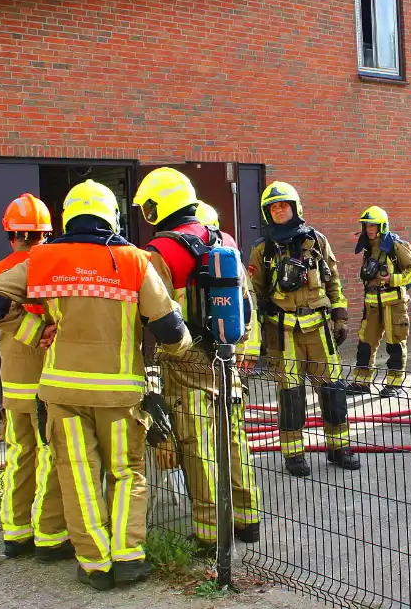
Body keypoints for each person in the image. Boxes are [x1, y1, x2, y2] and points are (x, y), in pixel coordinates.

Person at [0, 180, 193, 590]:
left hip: (62, 393)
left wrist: (32, 330)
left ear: (69, 217)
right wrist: (182, 348)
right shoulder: (133, 260)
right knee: (126, 473)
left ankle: (95, 564)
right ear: (111, 215)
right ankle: (129, 558)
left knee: (77, 475)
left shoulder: (45, 258)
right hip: (119, 396)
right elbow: (168, 327)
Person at [132, 169, 261, 554]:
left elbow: (150, 313)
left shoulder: (159, 251)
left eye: (150, 207)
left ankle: (210, 534)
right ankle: (247, 518)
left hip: (185, 357)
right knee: (234, 437)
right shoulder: (225, 240)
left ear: (161, 205)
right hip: (226, 352)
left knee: (197, 444)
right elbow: (246, 302)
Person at [0, 193, 72, 561]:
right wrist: (42, 332)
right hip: (50, 377)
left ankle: (16, 534)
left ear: (10, 233)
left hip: (14, 381)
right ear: (47, 233)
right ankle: (50, 534)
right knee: (51, 455)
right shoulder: (54, 267)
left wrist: (28, 330)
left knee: (19, 455)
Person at [248, 181, 358, 476]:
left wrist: (341, 317)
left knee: (333, 391)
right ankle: (294, 455)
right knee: (291, 395)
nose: (278, 210)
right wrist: (255, 335)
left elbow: (334, 281)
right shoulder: (263, 250)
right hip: (282, 334)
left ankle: (339, 448)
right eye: (273, 207)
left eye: (283, 205)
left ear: (295, 207)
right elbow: (254, 294)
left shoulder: (317, 241)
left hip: (319, 330)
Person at [345, 206, 411, 399]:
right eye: (366, 225)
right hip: (371, 303)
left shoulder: (396, 245)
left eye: (373, 225)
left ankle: (394, 384)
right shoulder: (368, 247)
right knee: (365, 343)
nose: (369, 229)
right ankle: (361, 383)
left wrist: (393, 279)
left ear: (382, 226)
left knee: (395, 343)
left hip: (394, 303)